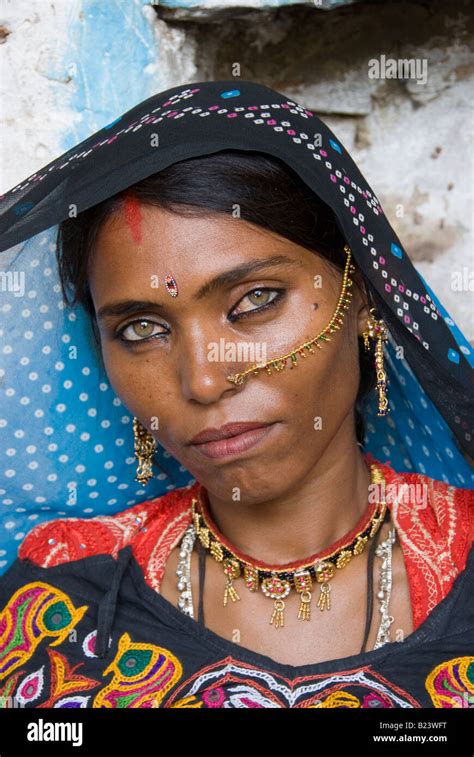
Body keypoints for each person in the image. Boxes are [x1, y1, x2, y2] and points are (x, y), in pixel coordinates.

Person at [0, 80, 472, 709]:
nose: (202, 381)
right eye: (142, 329)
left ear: (362, 297)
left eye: (255, 301)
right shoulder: (61, 598)